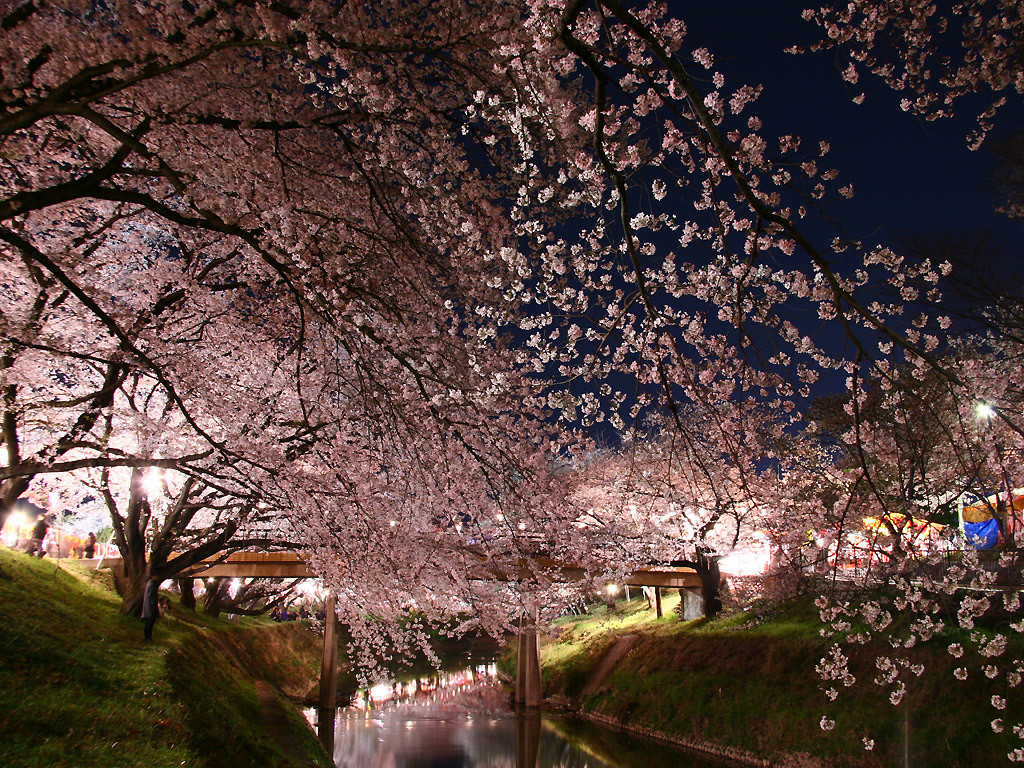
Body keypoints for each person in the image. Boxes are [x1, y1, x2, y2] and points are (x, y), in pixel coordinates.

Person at [141, 575, 161, 641]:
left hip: (149, 605)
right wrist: (153, 604)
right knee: (150, 621)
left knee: (150, 621)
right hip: (151, 606)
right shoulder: (152, 584)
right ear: (153, 576)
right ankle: (147, 637)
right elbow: (151, 595)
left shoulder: (150, 583)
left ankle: (148, 637)